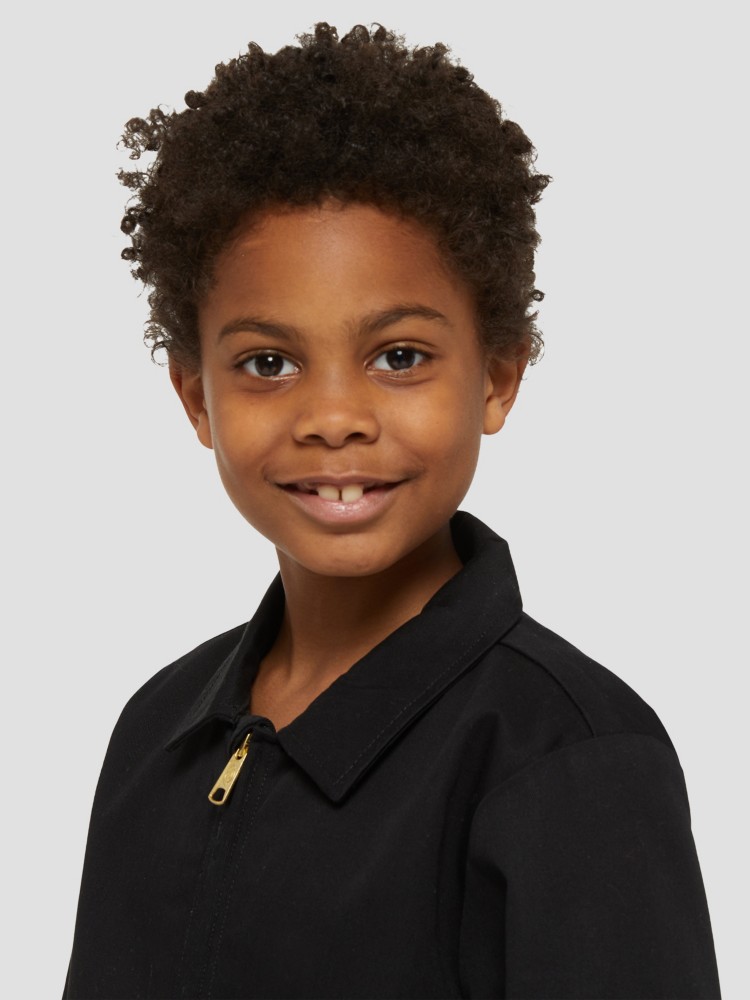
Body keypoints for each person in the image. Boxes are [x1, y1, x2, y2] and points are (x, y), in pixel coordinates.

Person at [64, 22, 721, 999]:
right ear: (197, 398)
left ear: (498, 375)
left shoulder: (571, 759)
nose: (334, 417)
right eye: (268, 363)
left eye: (399, 356)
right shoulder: (158, 733)